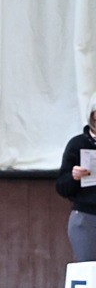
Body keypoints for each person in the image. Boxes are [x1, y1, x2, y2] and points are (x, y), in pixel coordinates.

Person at [56, 92, 96, 261]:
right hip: (87, 217)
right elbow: (61, 187)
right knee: (88, 269)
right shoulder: (78, 144)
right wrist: (74, 176)